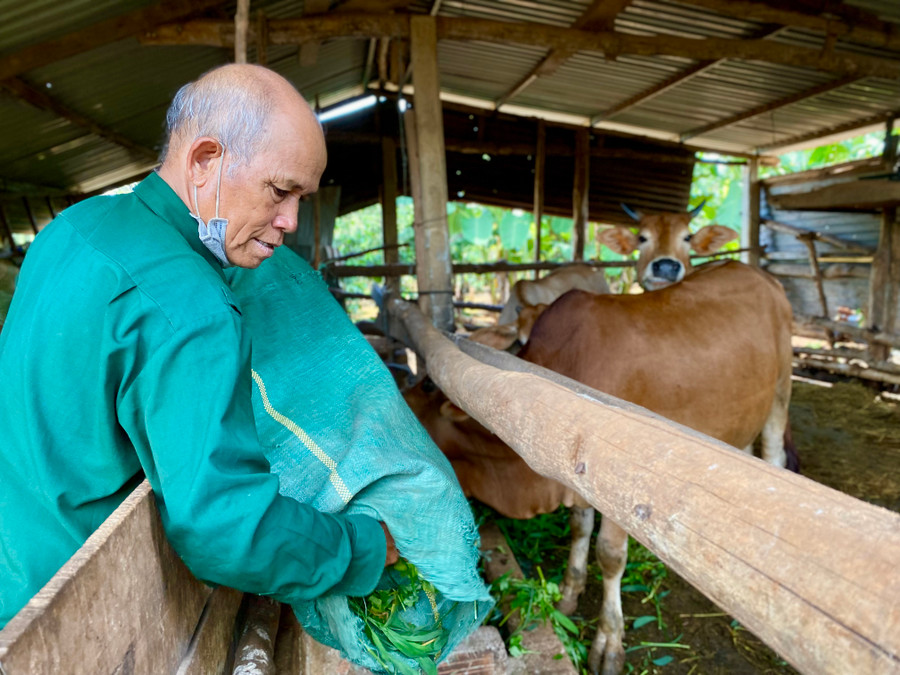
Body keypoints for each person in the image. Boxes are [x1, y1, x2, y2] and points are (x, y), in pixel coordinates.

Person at [0, 64, 398, 629]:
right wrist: (363, 547)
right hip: (77, 617)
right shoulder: (194, 310)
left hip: (11, 573)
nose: (290, 221)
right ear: (206, 161)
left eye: (302, 198)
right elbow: (227, 530)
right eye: (280, 191)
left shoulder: (72, 227)